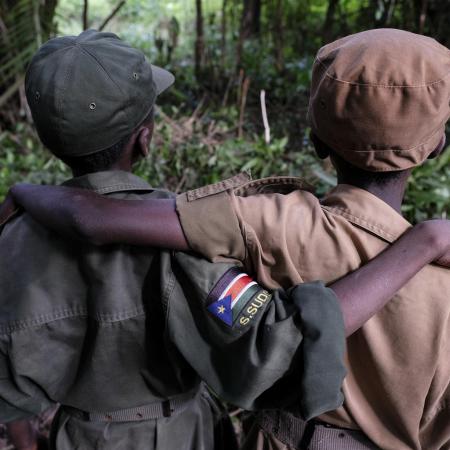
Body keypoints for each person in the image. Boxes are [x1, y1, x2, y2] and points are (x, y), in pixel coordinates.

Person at [2, 28, 450, 450]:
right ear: (145, 139)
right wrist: (425, 242)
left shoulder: (14, 239)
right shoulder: (186, 246)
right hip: (178, 433)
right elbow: (271, 345)